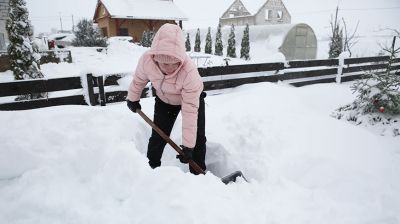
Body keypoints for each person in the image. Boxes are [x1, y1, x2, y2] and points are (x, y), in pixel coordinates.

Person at [126, 24, 207, 175]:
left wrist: (188, 146)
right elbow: (139, 80)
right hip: (164, 100)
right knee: (158, 136)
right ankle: (150, 169)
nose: (168, 68)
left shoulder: (189, 72)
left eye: (173, 64)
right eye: (163, 63)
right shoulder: (147, 60)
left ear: (180, 59)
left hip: (191, 100)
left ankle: (199, 176)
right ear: (155, 58)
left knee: (197, 140)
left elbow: (190, 112)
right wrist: (133, 98)